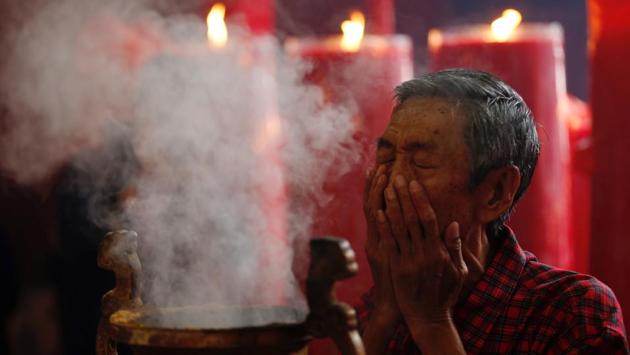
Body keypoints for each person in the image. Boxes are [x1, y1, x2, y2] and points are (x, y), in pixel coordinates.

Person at [359, 69, 629, 354]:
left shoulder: (571, 312)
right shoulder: (377, 308)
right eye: (386, 157)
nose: (392, 181)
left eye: (423, 162)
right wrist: (384, 314)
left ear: (495, 193)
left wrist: (432, 325)